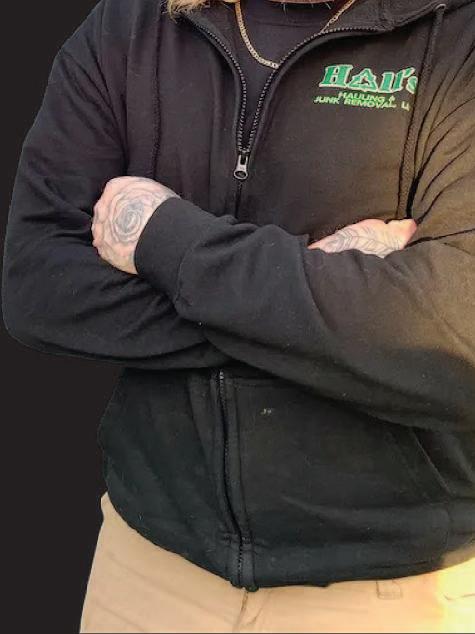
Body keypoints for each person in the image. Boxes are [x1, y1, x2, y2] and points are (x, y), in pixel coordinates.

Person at [2, 0, 475, 631]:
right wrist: (317, 309)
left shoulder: (458, 36)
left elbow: (457, 337)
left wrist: (163, 239)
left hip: (394, 592)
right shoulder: (130, 24)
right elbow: (36, 285)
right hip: (145, 572)